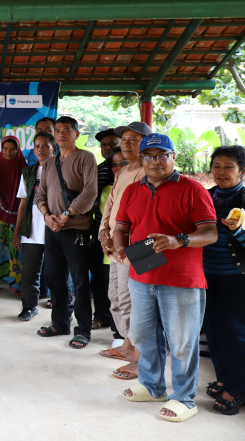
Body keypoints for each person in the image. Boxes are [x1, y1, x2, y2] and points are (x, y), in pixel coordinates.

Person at [116, 133, 217, 423]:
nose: (155, 162)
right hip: (141, 274)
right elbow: (122, 225)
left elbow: (210, 232)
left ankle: (184, 398)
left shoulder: (193, 189)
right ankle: (152, 386)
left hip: (181, 279)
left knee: (182, 341)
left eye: (162, 156)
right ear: (142, 159)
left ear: (173, 157)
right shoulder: (134, 190)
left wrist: (178, 241)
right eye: (149, 156)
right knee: (145, 337)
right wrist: (120, 243)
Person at [202, 145, 245, 415]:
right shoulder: (204, 196)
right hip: (208, 273)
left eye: (228, 166)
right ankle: (223, 378)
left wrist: (240, 231)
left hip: (241, 275)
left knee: (235, 331)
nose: (221, 172)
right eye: (217, 166)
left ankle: (237, 388)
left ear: (242, 171)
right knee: (213, 330)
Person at [34, 116, 97, 349]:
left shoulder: (85, 158)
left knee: (80, 282)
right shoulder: (50, 163)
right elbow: (40, 195)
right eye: (57, 131)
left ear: (76, 134)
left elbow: (90, 193)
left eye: (66, 130)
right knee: (54, 278)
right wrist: (47, 215)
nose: (61, 134)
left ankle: (83, 330)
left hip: (75, 230)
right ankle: (60, 323)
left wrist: (67, 214)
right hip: (52, 230)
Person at [97, 121, 151, 380]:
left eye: (133, 139)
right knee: (116, 298)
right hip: (115, 247)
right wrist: (103, 231)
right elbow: (111, 206)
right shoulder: (122, 171)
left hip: (135, 249)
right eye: (124, 139)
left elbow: (141, 216)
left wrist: (122, 242)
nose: (126, 144)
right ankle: (128, 346)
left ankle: (141, 357)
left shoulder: (148, 172)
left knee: (136, 303)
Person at [13, 131, 56, 321]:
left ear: (54, 148)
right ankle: (29, 307)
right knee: (30, 273)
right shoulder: (29, 172)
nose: (41, 150)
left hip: (54, 229)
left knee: (56, 272)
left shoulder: (60, 170)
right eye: (37, 146)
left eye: (45, 146)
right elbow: (22, 204)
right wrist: (17, 232)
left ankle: (60, 308)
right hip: (31, 232)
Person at [86, 128, 120, 331]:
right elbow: (90, 202)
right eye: (104, 144)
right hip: (99, 234)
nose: (108, 147)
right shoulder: (97, 170)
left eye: (112, 143)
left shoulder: (133, 171)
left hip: (125, 237)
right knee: (99, 277)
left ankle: (120, 326)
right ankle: (101, 315)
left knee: (118, 281)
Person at [0, 136, 27, 293]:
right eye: (5, 149)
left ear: (18, 150)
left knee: (15, 246)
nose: (8, 152)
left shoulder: (24, 168)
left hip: (18, 213)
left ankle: (15, 282)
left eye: (12, 149)